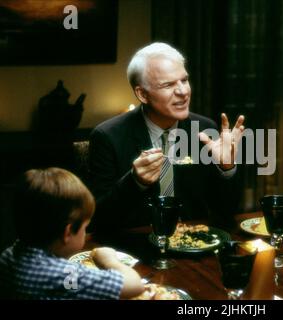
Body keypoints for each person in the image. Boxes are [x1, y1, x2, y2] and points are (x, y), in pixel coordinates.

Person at [88, 42, 245, 231]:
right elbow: (99, 219)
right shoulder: (107, 136)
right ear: (143, 94)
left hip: (193, 244)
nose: (183, 91)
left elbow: (226, 210)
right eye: (168, 84)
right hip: (135, 248)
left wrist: (226, 169)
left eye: (184, 80)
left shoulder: (203, 129)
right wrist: (135, 182)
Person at [0, 168, 144, 299]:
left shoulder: (7, 256)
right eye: (84, 228)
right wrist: (109, 260)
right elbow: (134, 285)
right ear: (67, 233)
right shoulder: (65, 275)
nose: (85, 233)